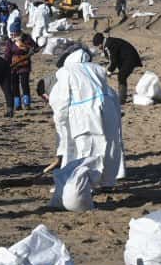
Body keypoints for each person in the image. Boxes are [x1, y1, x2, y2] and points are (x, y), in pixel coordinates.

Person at [47, 49, 125, 188]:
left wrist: (61, 120)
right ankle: (108, 182)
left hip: (85, 111)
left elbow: (63, 99)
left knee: (86, 147)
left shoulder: (66, 71)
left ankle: (86, 184)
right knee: (110, 144)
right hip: (107, 109)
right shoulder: (97, 69)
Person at [92, 32, 142, 103]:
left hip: (130, 58)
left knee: (121, 75)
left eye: (98, 45)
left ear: (100, 43)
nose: (98, 48)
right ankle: (122, 97)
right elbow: (113, 59)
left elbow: (113, 61)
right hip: (125, 58)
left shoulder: (109, 45)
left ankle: (121, 99)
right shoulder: (109, 43)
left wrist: (109, 71)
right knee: (121, 75)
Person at [4, 31, 36, 110]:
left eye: (15, 32)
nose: (13, 34)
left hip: (24, 65)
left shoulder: (26, 38)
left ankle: (27, 103)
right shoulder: (10, 41)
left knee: (24, 84)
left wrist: (28, 48)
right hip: (13, 66)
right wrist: (6, 64)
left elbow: (35, 47)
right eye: (12, 33)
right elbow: (7, 54)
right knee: (14, 85)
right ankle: (18, 104)